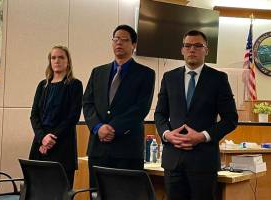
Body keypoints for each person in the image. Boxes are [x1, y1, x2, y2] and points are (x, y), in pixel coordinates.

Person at [154, 30, 238, 200]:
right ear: (182, 50)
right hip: (173, 160)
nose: (192, 49)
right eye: (188, 45)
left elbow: (230, 119)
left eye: (198, 46)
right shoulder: (169, 78)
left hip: (203, 161)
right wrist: (167, 134)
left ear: (206, 50)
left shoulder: (219, 79)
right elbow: (160, 114)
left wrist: (203, 136)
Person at [83, 24, 155, 190]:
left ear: (134, 44)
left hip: (127, 149)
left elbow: (141, 108)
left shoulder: (145, 73)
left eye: (124, 40)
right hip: (98, 149)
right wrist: (98, 127)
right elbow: (87, 103)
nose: (119, 43)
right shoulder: (97, 72)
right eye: (116, 39)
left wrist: (112, 128)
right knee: (97, 194)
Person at [29, 45, 83, 188]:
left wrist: (51, 138)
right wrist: (42, 138)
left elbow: (73, 117)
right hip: (39, 146)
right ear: (50, 61)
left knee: (59, 192)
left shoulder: (74, 85)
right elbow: (34, 115)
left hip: (62, 147)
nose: (57, 60)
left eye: (61, 57)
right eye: (53, 57)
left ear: (68, 61)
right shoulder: (42, 85)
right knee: (37, 191)